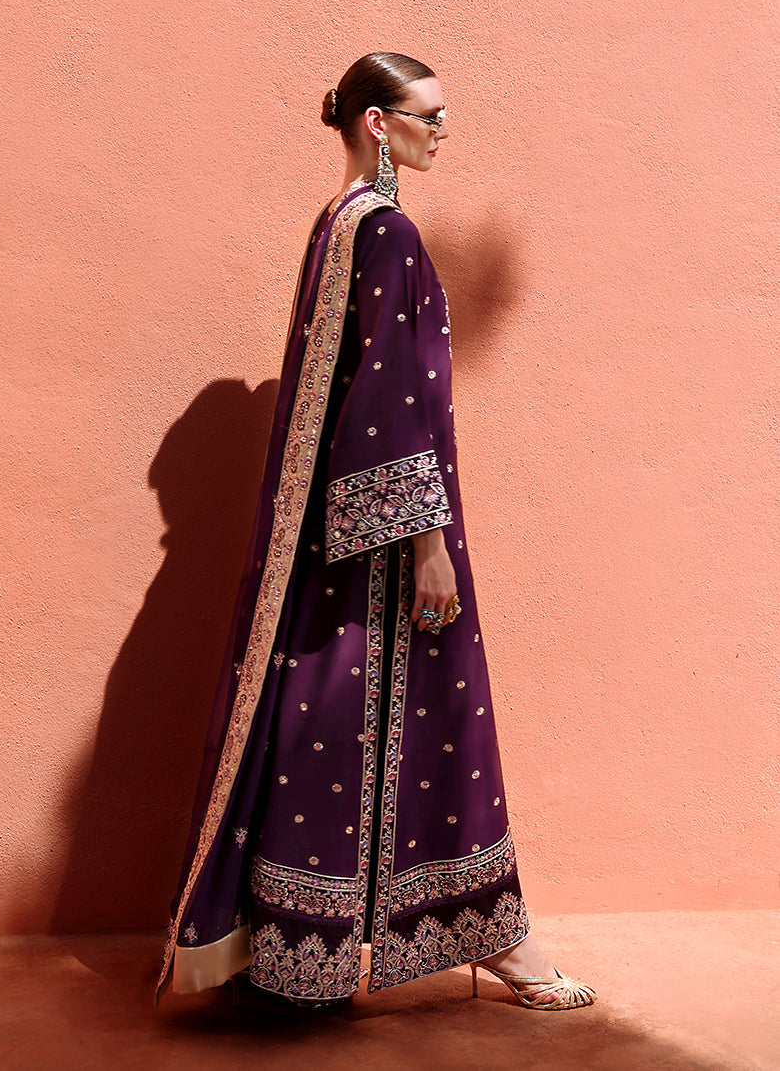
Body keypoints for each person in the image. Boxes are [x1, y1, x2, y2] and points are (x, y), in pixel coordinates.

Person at [156, 52, 595, 1012]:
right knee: (423, 719)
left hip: (337, 534)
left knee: (337, 717)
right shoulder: (385, 229)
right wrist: (427, 544)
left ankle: (297, 952)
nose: (443, 132)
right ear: (376, 123)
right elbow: (388, 395)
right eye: (428, 116)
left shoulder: (337, 223)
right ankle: (496, 942)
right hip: (394, 539)